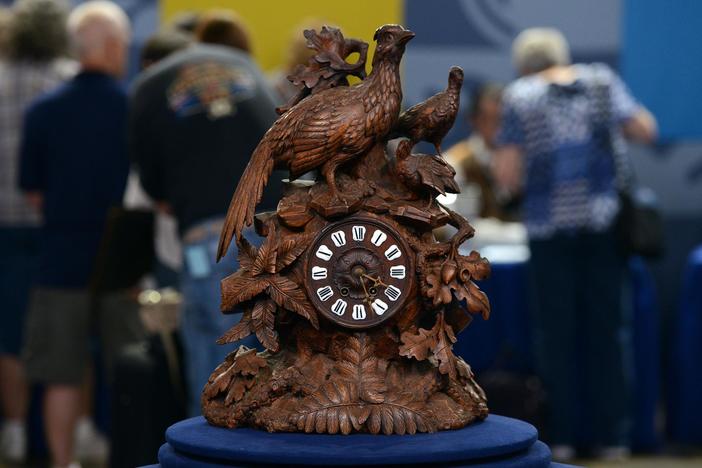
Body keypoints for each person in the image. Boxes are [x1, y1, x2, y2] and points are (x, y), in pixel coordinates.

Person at [494, 28, 657, 461]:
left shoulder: (519, 95)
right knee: (610, 332)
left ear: (524, 64)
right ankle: (615, 438)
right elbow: (644, 128)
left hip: (549, 231)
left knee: (555, 336)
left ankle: (562, 437)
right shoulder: (602, 81)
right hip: (604, 225)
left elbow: (507, 173)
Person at [130, 9, 284, 416]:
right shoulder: (246, 68)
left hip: (209, 240)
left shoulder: (148, 86)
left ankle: (210, 455)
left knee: (217, 365)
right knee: (252, 358)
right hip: (277, 233)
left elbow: (150, 186)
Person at [18, 3, 144, 467]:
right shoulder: (133, 107)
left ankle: (62, 461)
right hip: (123, 261)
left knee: (59, 374)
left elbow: (32, 192)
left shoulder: (43, 111)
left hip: (59, 257)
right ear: (112, 47)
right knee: (127, 372)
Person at [0, 0, 76, 463]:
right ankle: (74, 433)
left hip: (4, 225)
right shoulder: (68, 82)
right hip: (58, 226)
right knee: (64, 333)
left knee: (9, 334)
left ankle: (12, 428)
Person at [444, 83, 519, 221]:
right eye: (492, 120)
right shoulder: (455, 163)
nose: (501, 129)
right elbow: (446, 221)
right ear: (475, 120)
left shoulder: (524, 160)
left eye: (505, 121)